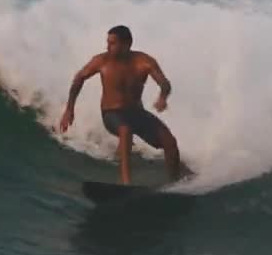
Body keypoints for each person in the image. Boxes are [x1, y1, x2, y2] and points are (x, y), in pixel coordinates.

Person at [57, 25, 183, 185]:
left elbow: (164, 83)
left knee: (170, 142)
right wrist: (69, 109)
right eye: (108, 43)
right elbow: (79, 79)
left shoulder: (144, 62)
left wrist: (163, 97)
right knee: (125, 129)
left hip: (137, 113)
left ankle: (176, 181)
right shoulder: (101, 61)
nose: (108, 47)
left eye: (113, 44)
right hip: (111, 113)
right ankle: (125, 183)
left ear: (127, 44)